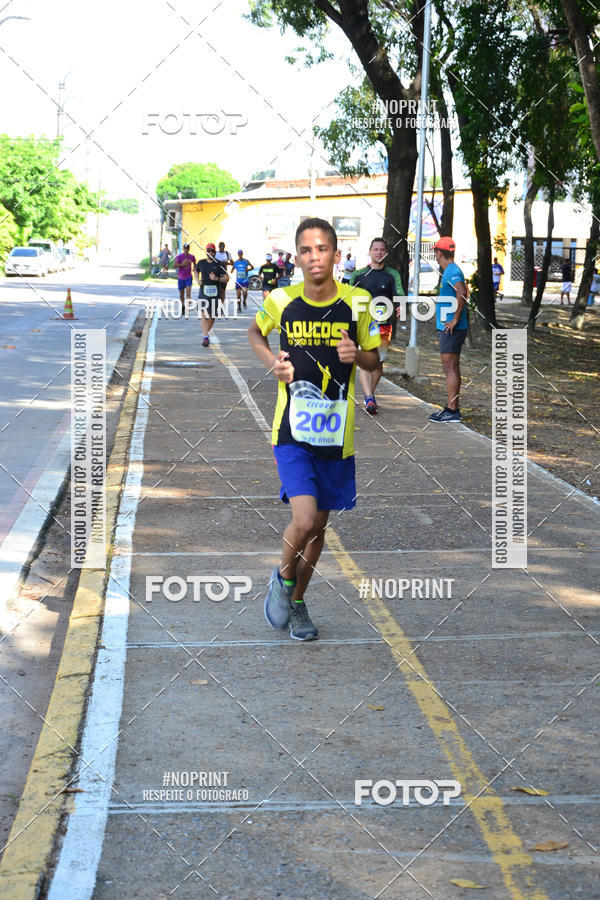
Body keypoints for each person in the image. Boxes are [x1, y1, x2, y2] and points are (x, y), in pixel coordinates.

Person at [247, 217, 380, 641]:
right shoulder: (281, 299)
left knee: (319, 529)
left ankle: (298, 603)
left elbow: (377, 362)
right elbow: (254, 332)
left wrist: (357, 355)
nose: (314, 256)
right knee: (303, 519)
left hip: (336, 438)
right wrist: (273, 364)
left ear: (336, 255)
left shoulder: (359, 302)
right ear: (298, 256)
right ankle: (283, 579)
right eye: (306, 250)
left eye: (322, 249)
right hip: (291, 433)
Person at [350, 237, 402, 414]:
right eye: (375, 249)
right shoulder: (358, 275)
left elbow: (399, 293)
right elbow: (349, 298)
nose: (379, 252)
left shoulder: (392, 275)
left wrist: (401, 306)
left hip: (384, 325)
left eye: (382, 249)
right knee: (366, 362)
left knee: (378, 365)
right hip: (364, 325)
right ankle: (369, 397)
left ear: (385, 252)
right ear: (370, 251)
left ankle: (368, 395)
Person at [428, 236, 469, 423]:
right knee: (451, 368)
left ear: (439, 253)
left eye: (435, 252)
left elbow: (462, 292)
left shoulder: (452, 271)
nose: (435, 255)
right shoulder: (451, 270)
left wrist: (454, 319)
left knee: (450, 368)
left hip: (452, 329)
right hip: (449, 327)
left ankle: (453, 411)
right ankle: (452, 407)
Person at [194, 242, 229, 347]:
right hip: (203, 291)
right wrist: (197, 280)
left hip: (215, 293)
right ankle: (205, 337)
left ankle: (206, 333)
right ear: (206, 252)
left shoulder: (220, 264)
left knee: (212, 316)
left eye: (212, 251)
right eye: (208, 250)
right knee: (204, 314)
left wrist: (217, 278)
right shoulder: (201, 263)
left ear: (215, 252)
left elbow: (226, 278)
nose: (210, 252)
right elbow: (195, 270)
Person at [174, 242, 196, 313]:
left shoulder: (192, 257)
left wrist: (195, 269)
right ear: (183, 249)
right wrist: (182, 264)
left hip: (188, 277)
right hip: (181, 278)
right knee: (181, 294)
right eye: (185, 248)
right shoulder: (179, 257)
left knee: (188, 293)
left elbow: (195, 264)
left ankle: (187, 307)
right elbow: (174, 266)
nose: (186, 249)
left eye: (187, 248)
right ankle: (183, 306)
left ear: (189, 249)